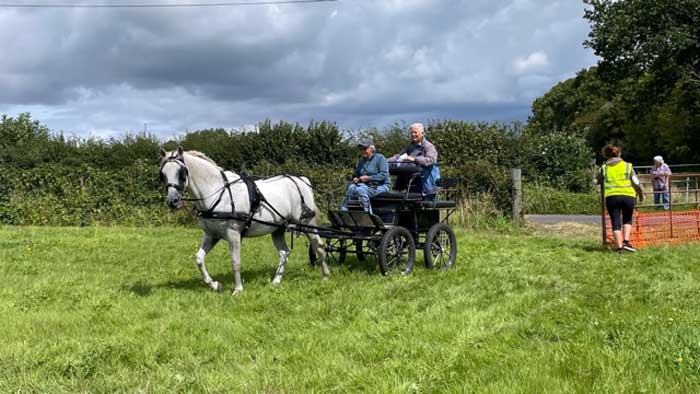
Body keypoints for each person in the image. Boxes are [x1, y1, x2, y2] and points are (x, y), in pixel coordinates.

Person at [597, 145, 644, 253]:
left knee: (615, 221)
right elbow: (636, 182)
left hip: (612, 197)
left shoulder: (604, 168)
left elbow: (597, 180)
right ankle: (626, 242)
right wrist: (640, 193)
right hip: (628, 196)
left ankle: (619, 248)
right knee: (627, 219)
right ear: (619, 154)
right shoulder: (627, 166)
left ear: (606, 155)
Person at [388, 122, 440, 197]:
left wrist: (414, 159)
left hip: (426, 184)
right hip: (413, 182)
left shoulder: (428, 146)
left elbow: (431, 160)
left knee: (426, 206)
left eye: (415, 132)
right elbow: (398, 157)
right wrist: (383, 161)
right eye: (411, 132)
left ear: (422, 133)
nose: (413, 135)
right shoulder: (410, 146)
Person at [339, 139, 390, 213]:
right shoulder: (361, 161)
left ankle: (368, 214)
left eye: (365, 148)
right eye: (361, 149)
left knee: (360, 190)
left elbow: (383, 175)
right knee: (350, 187)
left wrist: (369, 178)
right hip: (365, 186)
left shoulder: (380, 158)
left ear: (372, 149)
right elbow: (356, 175)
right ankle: (344, 213)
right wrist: (355, 179)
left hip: (381, 186)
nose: (362, 151)